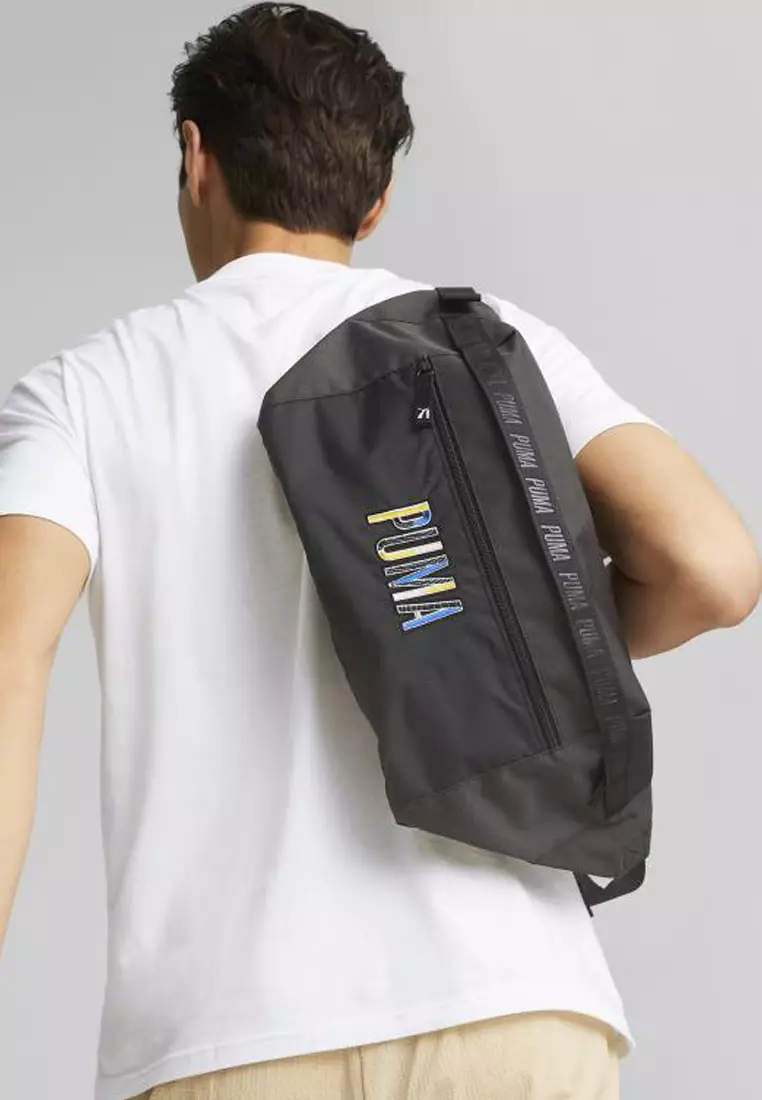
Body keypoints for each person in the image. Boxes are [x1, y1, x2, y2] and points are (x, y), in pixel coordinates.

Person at [0, 4, 759, 1099]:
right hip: (514, 1001)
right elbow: (714, 568)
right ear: (376, 198)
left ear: (195, 157)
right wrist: (505, 645)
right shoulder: (482, 342)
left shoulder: (85, 392)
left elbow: (9, 663)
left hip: (235, 1032)